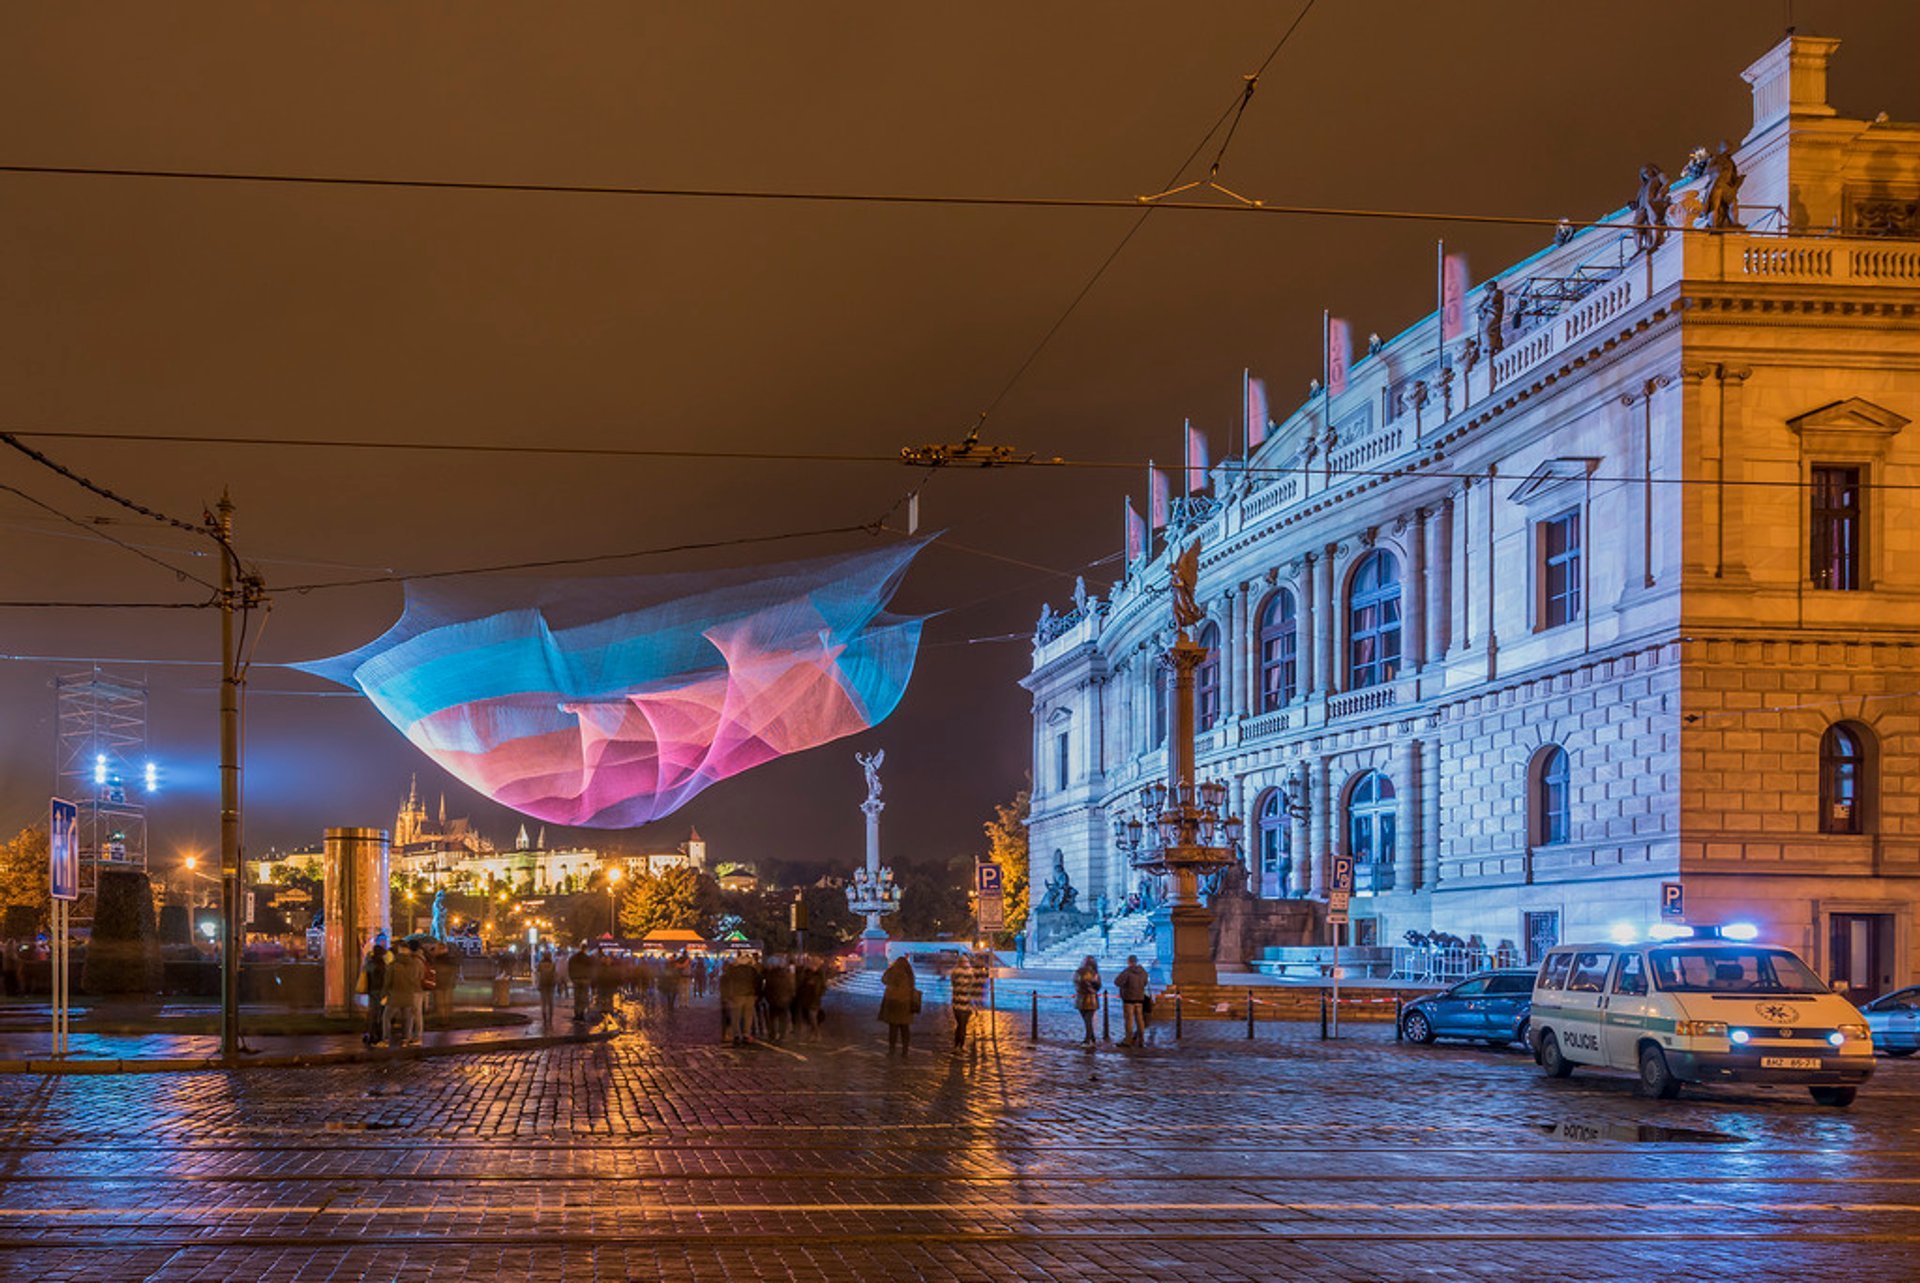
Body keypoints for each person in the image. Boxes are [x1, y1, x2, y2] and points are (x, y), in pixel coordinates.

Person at [383, 940, 427, 1046]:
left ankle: (386, 1039)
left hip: (396, 994)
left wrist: (384, 993)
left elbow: (388, 981)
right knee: (408, 1017)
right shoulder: (414, 962)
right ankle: (406, 1038)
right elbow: (419, 977)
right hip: (410, 993)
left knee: (386, 1017)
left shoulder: (394, 964)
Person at [878, 954, 919, 1056]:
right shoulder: (909, 973)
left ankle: (892, 1050)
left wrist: (890, 968)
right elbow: (913, 985)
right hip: (906, 1003)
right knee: (905, 1028)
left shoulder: (892, 971)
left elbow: (883, 980)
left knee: (893, 1028)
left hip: (893, 1003)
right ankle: (905, 1050)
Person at [720, 952, 760, 1045]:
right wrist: (757, 994)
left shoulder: (733, 971)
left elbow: (727, 982)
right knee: (748, 1016)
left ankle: (736, 1035)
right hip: (750, 995)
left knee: (736, 1016)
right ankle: (746, 1034)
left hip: (737, 995)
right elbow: (758, 982)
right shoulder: (752, 970)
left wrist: (727, 995)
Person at [360, 932, 393, 1045]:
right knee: (380, 1013)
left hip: (372, 990)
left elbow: (366, 974)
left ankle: (370, 1033)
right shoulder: (383, 965)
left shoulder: (370, 962)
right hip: (380, 991)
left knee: (372, 1013)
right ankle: (377, 1034)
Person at [950, 952, 986, 1053]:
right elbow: (972, 987)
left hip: (956, 1003)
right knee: (963, 1025)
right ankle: (960, 1046)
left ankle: (957, 1045)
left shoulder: (954, 972)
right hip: (965, 1003)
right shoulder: (969, 973)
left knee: (960, 1025)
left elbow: (954, 984)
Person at [1115, 954, 1151, 1047]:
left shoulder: (1127, 971)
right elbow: (1145, 983)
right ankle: (1141, 1040)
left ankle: (1128, 1040)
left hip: (1128, 998)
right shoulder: (1143, 972)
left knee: (1129, 1020)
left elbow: (1117, 982)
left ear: (1129, 962)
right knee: (1140, 1019)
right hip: (1139, 998)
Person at [762, 956, 795, 1043]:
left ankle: (772, 1035)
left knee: (772, 1019)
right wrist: (790, 998)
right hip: (784, 1001)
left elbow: (767, 989)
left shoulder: (770, 976)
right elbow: (791, 988)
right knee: (782, 1019)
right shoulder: (787, 976)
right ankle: (782, 1035)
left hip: (773, 1001)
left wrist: (767, 998)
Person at [1073, 955, 1101, 1046]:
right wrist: (1092, 989)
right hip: (1092, 998)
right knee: (1088, 1020)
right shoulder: (1095, 973)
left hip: (1082, 998)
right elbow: (1098, 986)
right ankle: (1091, 1038)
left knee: (1087, 1020)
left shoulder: (1079, 972)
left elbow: (1077, 983)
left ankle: (1088, 1039)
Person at [567, 944, 596, 1021]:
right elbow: (592, 970)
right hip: (585, 980)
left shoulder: (573, 958)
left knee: (577, 998)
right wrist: (590, 979)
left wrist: (572, 978)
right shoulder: (588, 958)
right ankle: (582, 1014)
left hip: (576, 980)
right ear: (586, 949)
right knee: (584, 998)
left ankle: (577, 1014)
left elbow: (570, 968)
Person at [535, 947, 558, 1027]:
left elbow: (538, 975)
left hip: (543, 984)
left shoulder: (540, 965)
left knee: (543, 1002)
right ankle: (550, 1019)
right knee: (551, 1002)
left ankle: (544, 1018)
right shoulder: (553, 964)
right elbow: (555, 974)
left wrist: (537, 984)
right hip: (551, 984)